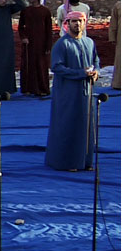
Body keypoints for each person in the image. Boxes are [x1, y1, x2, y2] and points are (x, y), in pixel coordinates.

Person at [45, 11, 101, 171]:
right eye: (74, 21)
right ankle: (67, 162)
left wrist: (95, 72)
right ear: (67, 24)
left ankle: (85, 161)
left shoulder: (89, 42)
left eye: (80, 21)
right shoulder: (62, 44)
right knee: (68, 124)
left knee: (86, 124)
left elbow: (95, 60)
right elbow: (56, 67)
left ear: (85, 23)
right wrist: (80, 73)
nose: (77, 24)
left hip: (86, 92)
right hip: (67, 92)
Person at [18, 0, 54, 97]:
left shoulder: (45, 11)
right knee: (28, 65)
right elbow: (20, 27)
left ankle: (42, 88)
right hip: (29, 43)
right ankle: (28, 89)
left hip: (41, 43)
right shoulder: (25, 11)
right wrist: (23, 37)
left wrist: (48, 45)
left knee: (41, 66)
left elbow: (49, 29)